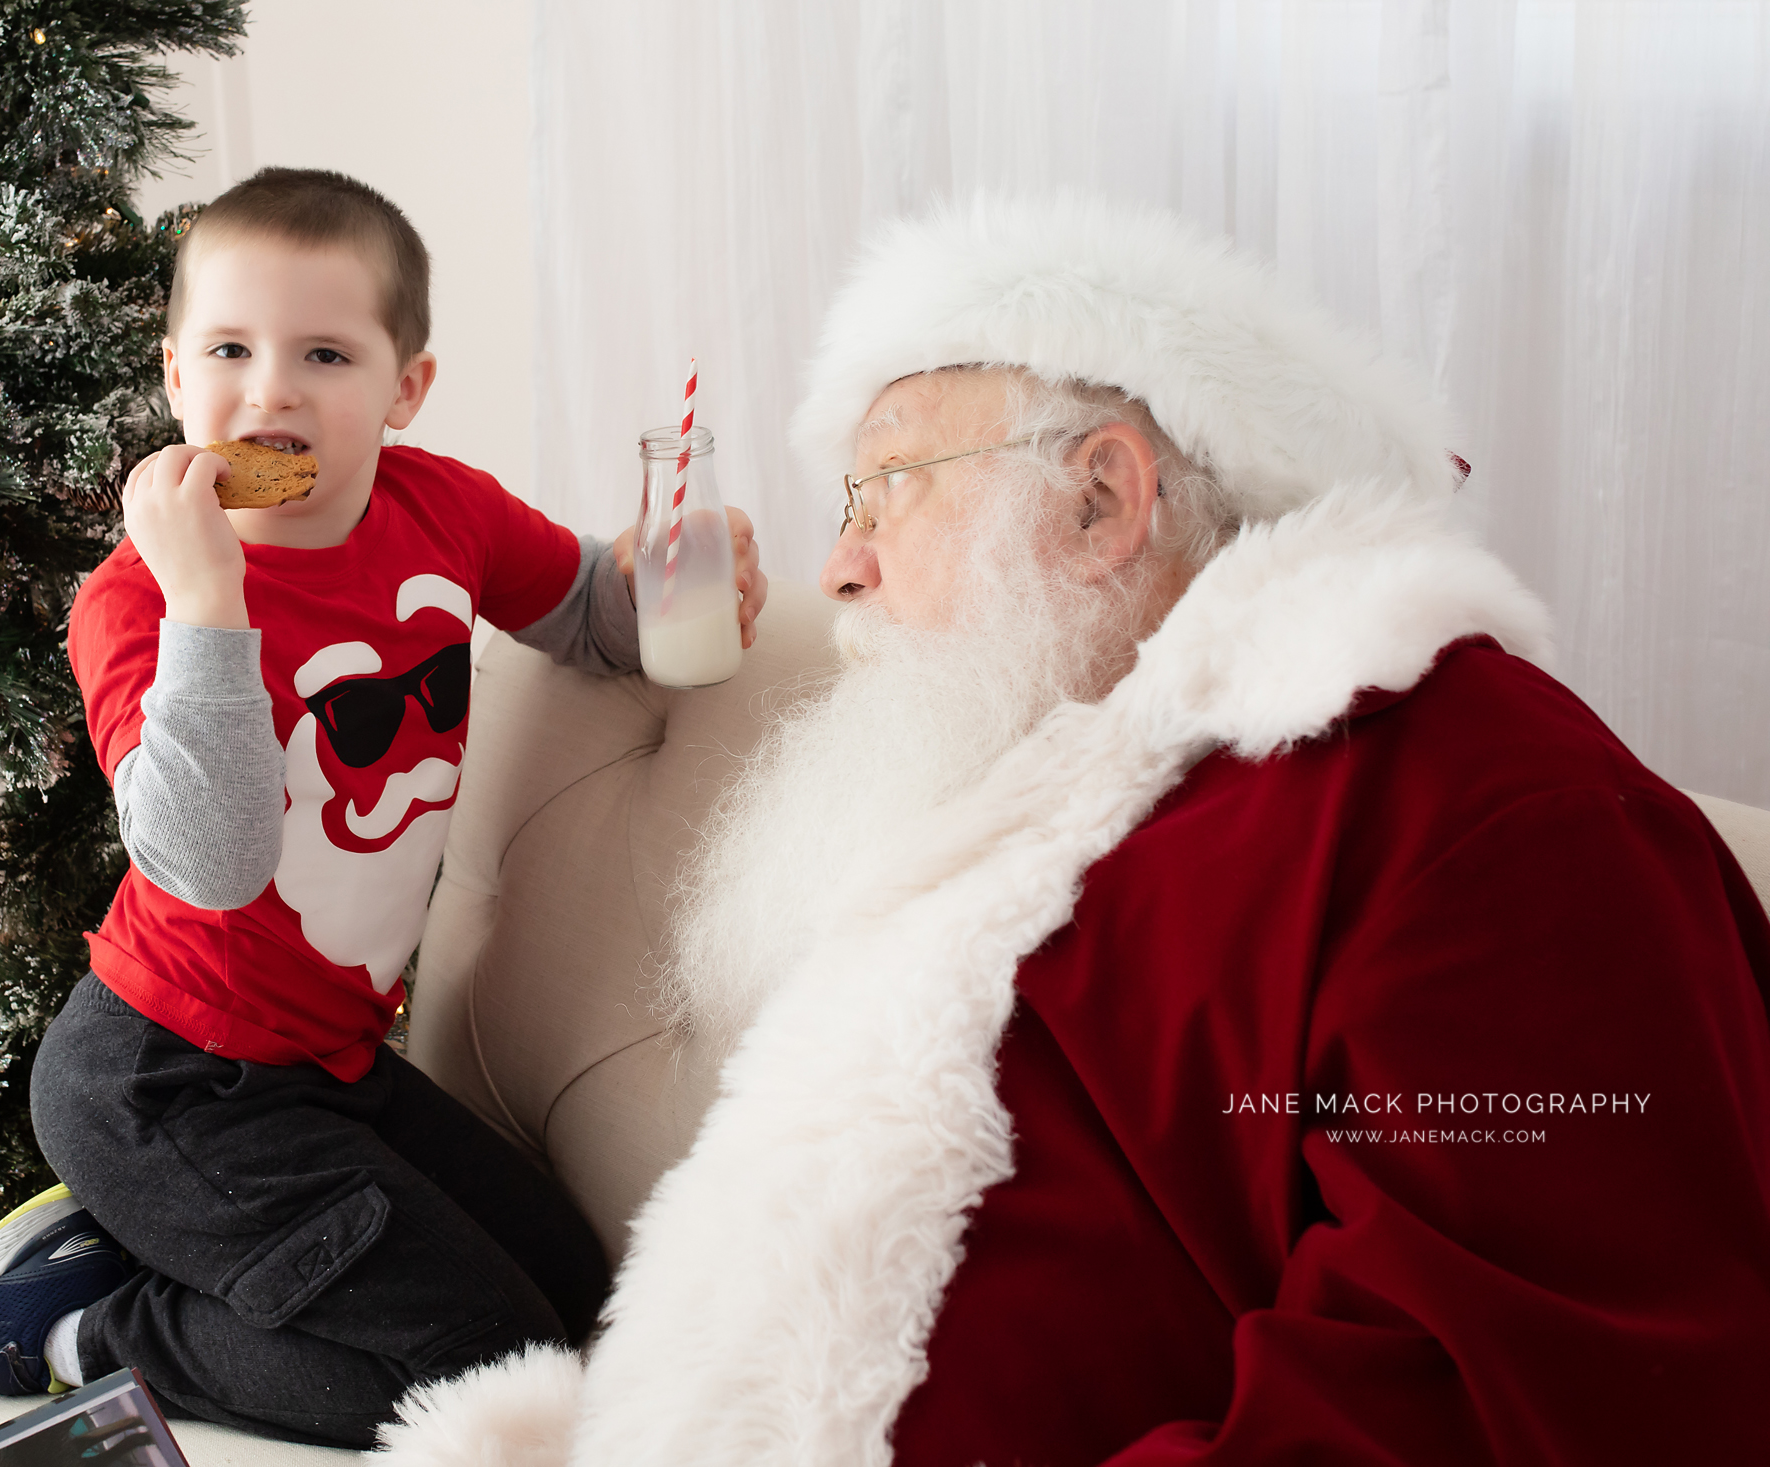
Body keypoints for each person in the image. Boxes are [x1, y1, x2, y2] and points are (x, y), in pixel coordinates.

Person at [381, 196, 1770, 1465]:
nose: (839, 562)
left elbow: (1520, 1389)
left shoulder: (1497, 818)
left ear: (1108, 497)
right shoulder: (1035, 810)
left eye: (888, 488)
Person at [0, 167, 768, 1448]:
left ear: (403, 389)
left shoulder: (439, 509)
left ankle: (152, 1275)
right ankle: (73, 1326)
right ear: (176, 376)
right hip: (163, 1079)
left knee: (582, 1301)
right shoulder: (138, 601)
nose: (269, 390)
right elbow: (211, 868)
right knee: (489, 1375)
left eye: (324, 353)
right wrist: (208, 605)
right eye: (230, 348)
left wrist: (670, 572)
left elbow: (587, 622)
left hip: (330, 1065)